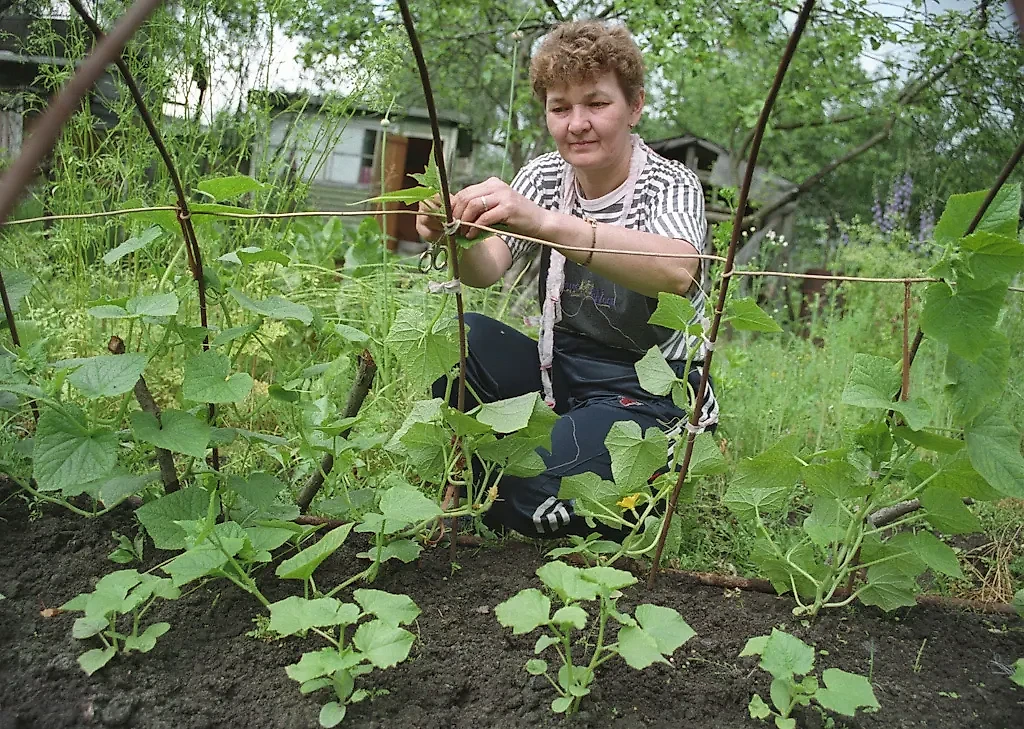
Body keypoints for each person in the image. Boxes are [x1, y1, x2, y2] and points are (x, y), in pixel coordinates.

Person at [416, 19, 718, 539]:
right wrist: (454, 239)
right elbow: (488, 268)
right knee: (461, 340)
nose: (577, 123)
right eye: (560, 108)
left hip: (646, 391)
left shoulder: (670, 184)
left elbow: (676, 270)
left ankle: (580, 478)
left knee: (524, 487)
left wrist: (546, 223)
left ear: (635, 105)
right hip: (559, 373)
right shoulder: (543, 176)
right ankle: (536, 462)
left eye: (596, 103)